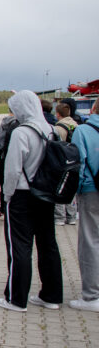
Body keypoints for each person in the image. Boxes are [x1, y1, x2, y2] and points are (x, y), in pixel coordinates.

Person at [0, 90, 63, 312]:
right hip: (45, 193)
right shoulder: (51, 130)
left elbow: (13, 169)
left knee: (20, 246)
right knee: (48, 244)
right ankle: (51, 295)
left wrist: (7, 196)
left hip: (23, 194)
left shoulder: (21, 132)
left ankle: (16, 298)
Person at [69, 98, 99, 311]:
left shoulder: (83, 131)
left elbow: (78, 164)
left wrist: (76, 190)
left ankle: (91, 295)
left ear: (94, 108)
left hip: (91, 190)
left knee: (90, 241)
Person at [53, 102, 79, 226]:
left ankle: (59, 218)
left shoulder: (58, 128)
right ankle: (72, 217)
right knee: (72, 189)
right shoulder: (76, 126)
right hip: (75, 162)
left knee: (59, 189)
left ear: (58, 114)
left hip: (62, 162)